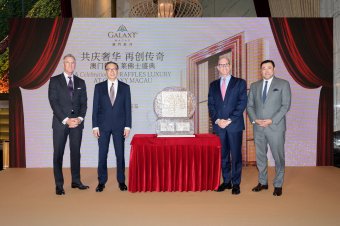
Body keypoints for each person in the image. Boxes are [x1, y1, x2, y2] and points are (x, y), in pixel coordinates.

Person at [247, 60, 291, 196]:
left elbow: (285, 106)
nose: (266, 70)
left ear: (274, 69)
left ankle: (278, 184)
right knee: (260, 156)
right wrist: (255, 120)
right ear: (260, 70)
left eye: (269, 68)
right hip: (259, 127)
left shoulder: (283, 84)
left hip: (275, 127)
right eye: (263, 68)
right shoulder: (254, 86)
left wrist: (272, 120)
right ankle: (263, 182)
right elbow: (249, 106)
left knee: (278, 156)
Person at [48, 54, 89, 195]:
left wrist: (79, 119)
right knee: (58, 154)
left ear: (75, 64)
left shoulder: (81, 82)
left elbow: (84, 104)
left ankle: (76, 181)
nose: (70, 65)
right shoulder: (54, 81)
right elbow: (54, 103)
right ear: (63, 64)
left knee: (76, 153)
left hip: (77, 124)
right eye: (68, 62)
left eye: (73, 63)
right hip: (61, 123)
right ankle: (59, 185)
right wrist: (66, 120)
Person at [208, 57, 247, 195]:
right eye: (221, 65)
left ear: (230, 66)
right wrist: (218, 120)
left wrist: (229, 119)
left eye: (226, 64)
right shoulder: (213, 85)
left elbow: (242, 103)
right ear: (217, 67)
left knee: (236, 155)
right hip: (219, 126)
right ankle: (226, 181)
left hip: (234, 125)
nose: (223, 67)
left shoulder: (240, 83)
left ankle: (236, 184)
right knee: (223, 155)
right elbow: (211, 105)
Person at [92, 61, 132, 192]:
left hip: (120, 127)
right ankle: (101, 182)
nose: (112, 71)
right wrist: (95, 126)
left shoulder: (125, 87)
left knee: (120, 155)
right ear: (105, 71)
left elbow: (127, 108)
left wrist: (127, 126)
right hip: (103, 127)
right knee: (102, 155)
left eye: (114, 69)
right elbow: (95, 108)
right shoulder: (99, 87)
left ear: (118, 70)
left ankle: (121, 181)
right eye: (109, 69)